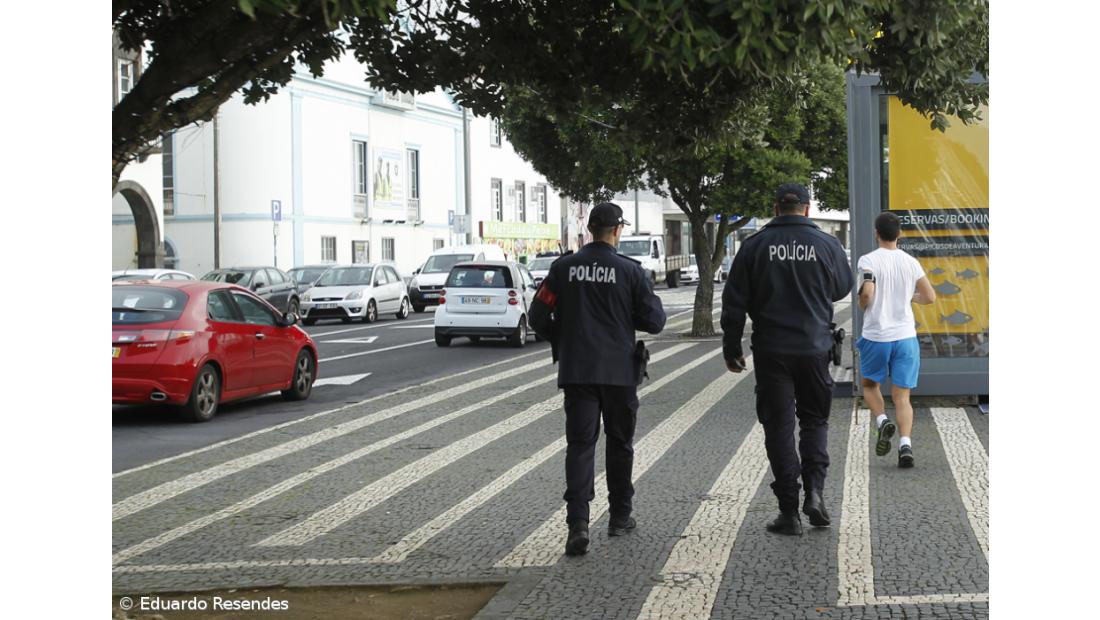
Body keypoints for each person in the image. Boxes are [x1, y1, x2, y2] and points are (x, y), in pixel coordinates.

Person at [529, 202, 666, 556]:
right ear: (618, 230)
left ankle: (578, 524)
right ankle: (620, 516)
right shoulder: (631, 272)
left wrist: (563, 338)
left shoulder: (563, 269)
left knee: (580, 446)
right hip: (619, 373)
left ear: (590, 229)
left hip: (578, 372)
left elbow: (537, 315)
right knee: (620, 444)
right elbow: (655, 321)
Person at [721, 183, 852, 536]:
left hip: (772, 350)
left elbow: (734, 303)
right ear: (807, 209)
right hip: (814, 347)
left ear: (776, 208)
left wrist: (731, 347)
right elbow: (841, 287)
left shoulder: (754, 247)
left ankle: (788, 511)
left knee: (778, 427)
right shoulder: (827, 244)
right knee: (814, 422)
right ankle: (815, 492)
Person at [856, 211, 937, 468]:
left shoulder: (868, 260)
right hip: (905, 337)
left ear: (876, 233)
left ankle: (882, 421)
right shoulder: (910, 262)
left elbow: (867, 292)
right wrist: (908, 297)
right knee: (902, 396)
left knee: (869, 385)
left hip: (876, 336)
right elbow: (930, 297)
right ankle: (905, 445)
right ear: (899, 234)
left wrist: (862, 303)